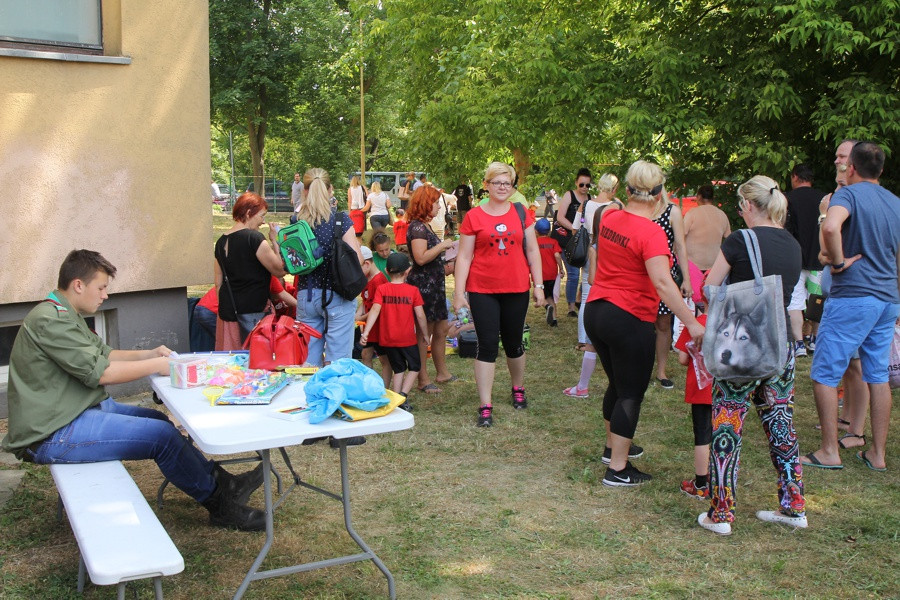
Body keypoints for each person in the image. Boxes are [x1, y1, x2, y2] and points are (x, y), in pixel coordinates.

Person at [1, 250, 266, 531]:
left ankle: (225, 483)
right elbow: (103, 372)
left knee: (159, 421)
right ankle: (220, 506)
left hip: (74, 411)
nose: (105, 295)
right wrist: (158, 364)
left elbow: (104, 353)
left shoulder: (65, 312)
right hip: (53, 432)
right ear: (78, 285)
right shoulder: (50, 320)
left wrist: (148, 354)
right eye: (101, 288)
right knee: (161, 436)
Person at [583, 160, 704, 487]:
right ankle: (618, 470)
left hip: (596, 310)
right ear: (659, 193)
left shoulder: (609, 216)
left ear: (627, 188)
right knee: (631, 393)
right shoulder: (650, 232)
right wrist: (692, 323)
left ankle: (612, 448)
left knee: (617, 384)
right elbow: (664, 284)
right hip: (629, 316)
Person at [698, 175, 805, 535]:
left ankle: (721, 514)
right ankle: (794, 507)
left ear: (747, 205)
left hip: (741, 352)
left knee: (727, 426)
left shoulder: (739, 240)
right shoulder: (792, 243)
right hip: (779, 348)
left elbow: (710, 289)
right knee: (781, 425)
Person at [804, 141, 900, 472]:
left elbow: (830, 226)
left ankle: (830, 451)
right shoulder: (895, 202)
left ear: (852, 168)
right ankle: (877, 454)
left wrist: (839, 260)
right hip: (888, 299)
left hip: (853, 296)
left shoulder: (848, 194)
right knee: (878, 376)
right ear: (882, 170)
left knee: (824, 373)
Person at [454, 162, 545, 427]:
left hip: (517, 288)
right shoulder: (473, 216)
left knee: (515, 342)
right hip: (483, 289)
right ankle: (485, 404)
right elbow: (464, 256)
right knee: (487, 345)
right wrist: (459, 293)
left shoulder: (520, 212)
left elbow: (532, 251)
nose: (503, 187)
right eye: (497, 182)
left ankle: (518, 387)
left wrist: (538, 285)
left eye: (508, 182)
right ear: (486, 184)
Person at [293, 168, 364, 367]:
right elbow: (357, 259)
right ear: (330, 190)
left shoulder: (297, 222)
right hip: (337, 294)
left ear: (304, 191)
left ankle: (306, 396)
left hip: (306, 295)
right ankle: (332, 395)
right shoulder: (340, 220)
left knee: (307, 363)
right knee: (337, 364)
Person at [213, 192, 286, 350]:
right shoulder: (254, 238)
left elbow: (218, 283)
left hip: (228, 314)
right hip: (254, 314)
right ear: (248, 213)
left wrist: (227, 307)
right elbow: (279, 270)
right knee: (256, 363)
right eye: (262, 216)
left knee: (232, 365)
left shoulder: (221, 241)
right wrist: (275, 241)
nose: (263, 221)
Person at [360, 253, 428, 410]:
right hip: (407, 339)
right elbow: (420, 315)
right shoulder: (413, 291)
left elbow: (375, 310)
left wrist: (366, 332)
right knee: (415, 367)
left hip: (387, 339)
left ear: (386, 270)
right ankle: (403, 395)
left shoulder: (382, 289)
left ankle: (395, 399)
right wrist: (425, 334)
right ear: (408, 271)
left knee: (398, 368)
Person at [407, 185, 457, 393]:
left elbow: (431, 261)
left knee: (442, 329)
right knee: (423, 334)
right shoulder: (417, 227)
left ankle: (442, 373)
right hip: (423, 288)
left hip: (435, 285)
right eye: (436, 202)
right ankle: (423, 379)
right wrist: (442, 246)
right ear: (426, 204)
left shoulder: (425, 226)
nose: (438, 206)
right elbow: (420, 258)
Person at [651, 190, 692, 389]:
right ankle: (639, 367)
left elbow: (680, 247)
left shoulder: (672, 211)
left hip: (665, 274)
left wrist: (687, 279)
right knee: (638, 323)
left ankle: (661, 370)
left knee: (664, 323)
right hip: (639, 275)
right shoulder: (636, 210)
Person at [785, 164, 826, 356]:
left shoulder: (787, 199)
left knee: (795, 301)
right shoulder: (824, 199)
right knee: (817, 299)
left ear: (795, 177)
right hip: (820, 259)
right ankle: (815, 339)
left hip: (795, 258)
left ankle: (799, 343)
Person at [576, 174, 621, 351]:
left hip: (590, 249)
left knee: (587, 295)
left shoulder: (586, 204)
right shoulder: (617, 206)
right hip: (612, 253)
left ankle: (583, 339)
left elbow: (574, 229)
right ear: (615, 188)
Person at [674, 312, 712, 499]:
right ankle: (720, 479)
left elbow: (682, 358)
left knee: (702, 435)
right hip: (727, 391)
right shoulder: (731, 321)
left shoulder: (697, 323)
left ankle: (700, 484)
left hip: (701, 389)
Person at [552, 168, 593, 317]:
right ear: (576, 182)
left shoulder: (590, 198)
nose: (584, 188)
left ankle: (578, 300)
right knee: (574, 273)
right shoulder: (569, 195)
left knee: (588, 273)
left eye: (587, 185)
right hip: (567, 241)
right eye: (581, 184)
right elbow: (560, 217)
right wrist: (574, 229)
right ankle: (571, 308)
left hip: (582, 242)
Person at [357, 246, 391, 386]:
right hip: (370, 328)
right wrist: (357, 315)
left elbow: (378, 308)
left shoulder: (379, 281)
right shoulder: (367, 279)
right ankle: (368, 386)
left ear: (367, 263)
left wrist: (360, 318)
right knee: (365, 355)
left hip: (380, 327)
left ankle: (385, 388)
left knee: (384, 360)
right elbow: (365, 302)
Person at [683, 184, 731, 272]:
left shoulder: (692, 213)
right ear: (713, 198)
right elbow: (728, 236)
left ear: (699, 196)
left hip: (693, 265)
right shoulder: (721, 214)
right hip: (714, 265)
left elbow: (682, 233)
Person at [536, 218, 564, 327]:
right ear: (549, 231)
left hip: (540, 275)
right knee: (551, 297)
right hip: (552, 274)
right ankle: (554, 320)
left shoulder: (535, 243)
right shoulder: (553, 242)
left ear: (536, 231)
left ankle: (547, 307)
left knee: (540, 297)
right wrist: (561, 268)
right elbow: (557, 255)